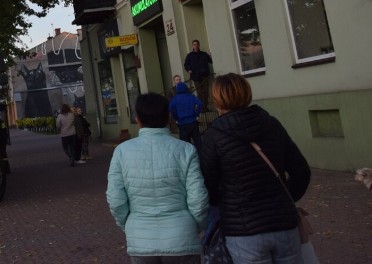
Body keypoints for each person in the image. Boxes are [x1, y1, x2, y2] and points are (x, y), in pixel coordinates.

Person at [200, 73, 311, 263]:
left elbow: (208, 186)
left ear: (217, 100)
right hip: (283, 223)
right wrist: (286, 197)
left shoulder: (213, 136)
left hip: (243, 230)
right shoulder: (271, 124)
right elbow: (301, 171)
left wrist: (228, 205)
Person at [106, 92, 208, 263]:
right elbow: (198, 198)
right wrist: (194, 226)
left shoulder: (122, 152)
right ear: (169, 117)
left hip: (140, 239)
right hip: (181, 236)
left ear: (137, 119)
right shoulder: (186, 150)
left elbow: (115, 199)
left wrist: (129, 225)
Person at [169, 82, 203, 152]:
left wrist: (176, 118)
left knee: (185, 146)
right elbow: (200, 104)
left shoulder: (175, 99)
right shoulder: (191, 96)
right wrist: (197, 114)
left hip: (182, 124)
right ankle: (202, 158)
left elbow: (171, 108)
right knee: (198, 143)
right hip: (193, 122)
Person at [184, 40, 212, 105]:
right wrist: (188, 70)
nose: (195, 46)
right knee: (199, 92)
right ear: (192, 46)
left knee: (206, 92)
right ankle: (202, 107)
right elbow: (186, 64)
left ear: (199, 45)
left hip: (205, 76)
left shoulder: (204, 54)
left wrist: (211, 56)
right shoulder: (190, 55)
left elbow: (210, 61)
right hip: (195, 76)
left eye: (197, 44)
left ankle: (205, 106)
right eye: (194, 44)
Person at [0, 108, 11, 174]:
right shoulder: (1, 122)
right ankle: (7, 168)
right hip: (3, 140)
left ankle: (2, 169)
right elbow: (4, 130)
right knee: (4, 154)